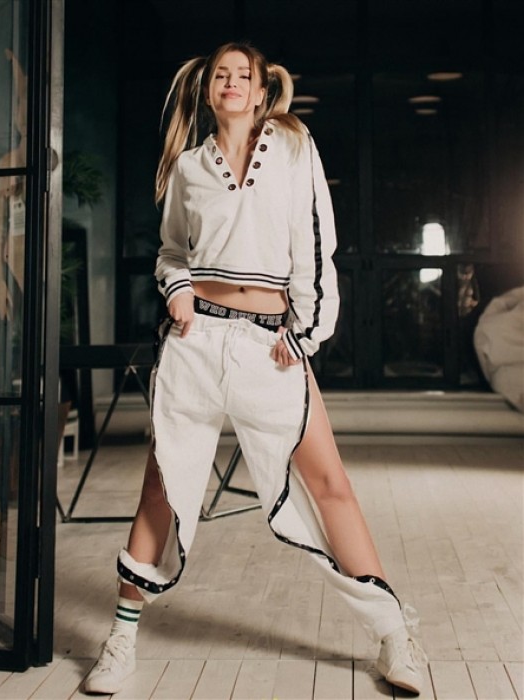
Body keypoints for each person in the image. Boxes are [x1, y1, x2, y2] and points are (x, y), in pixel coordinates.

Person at [84, 42, 426, 695]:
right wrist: (177, 290)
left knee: (330, 484)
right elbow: (172, 252)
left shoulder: (295, 148)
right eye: (222, 74)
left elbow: (317, 243)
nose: (232, 83)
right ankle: (121, 638)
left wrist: (307, 331)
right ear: (208, 89)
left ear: (264, 91)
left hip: (271, 346)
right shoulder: (189, 167)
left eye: (245, 75)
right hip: (196, 343)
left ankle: (395, 638)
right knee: (162, 488)